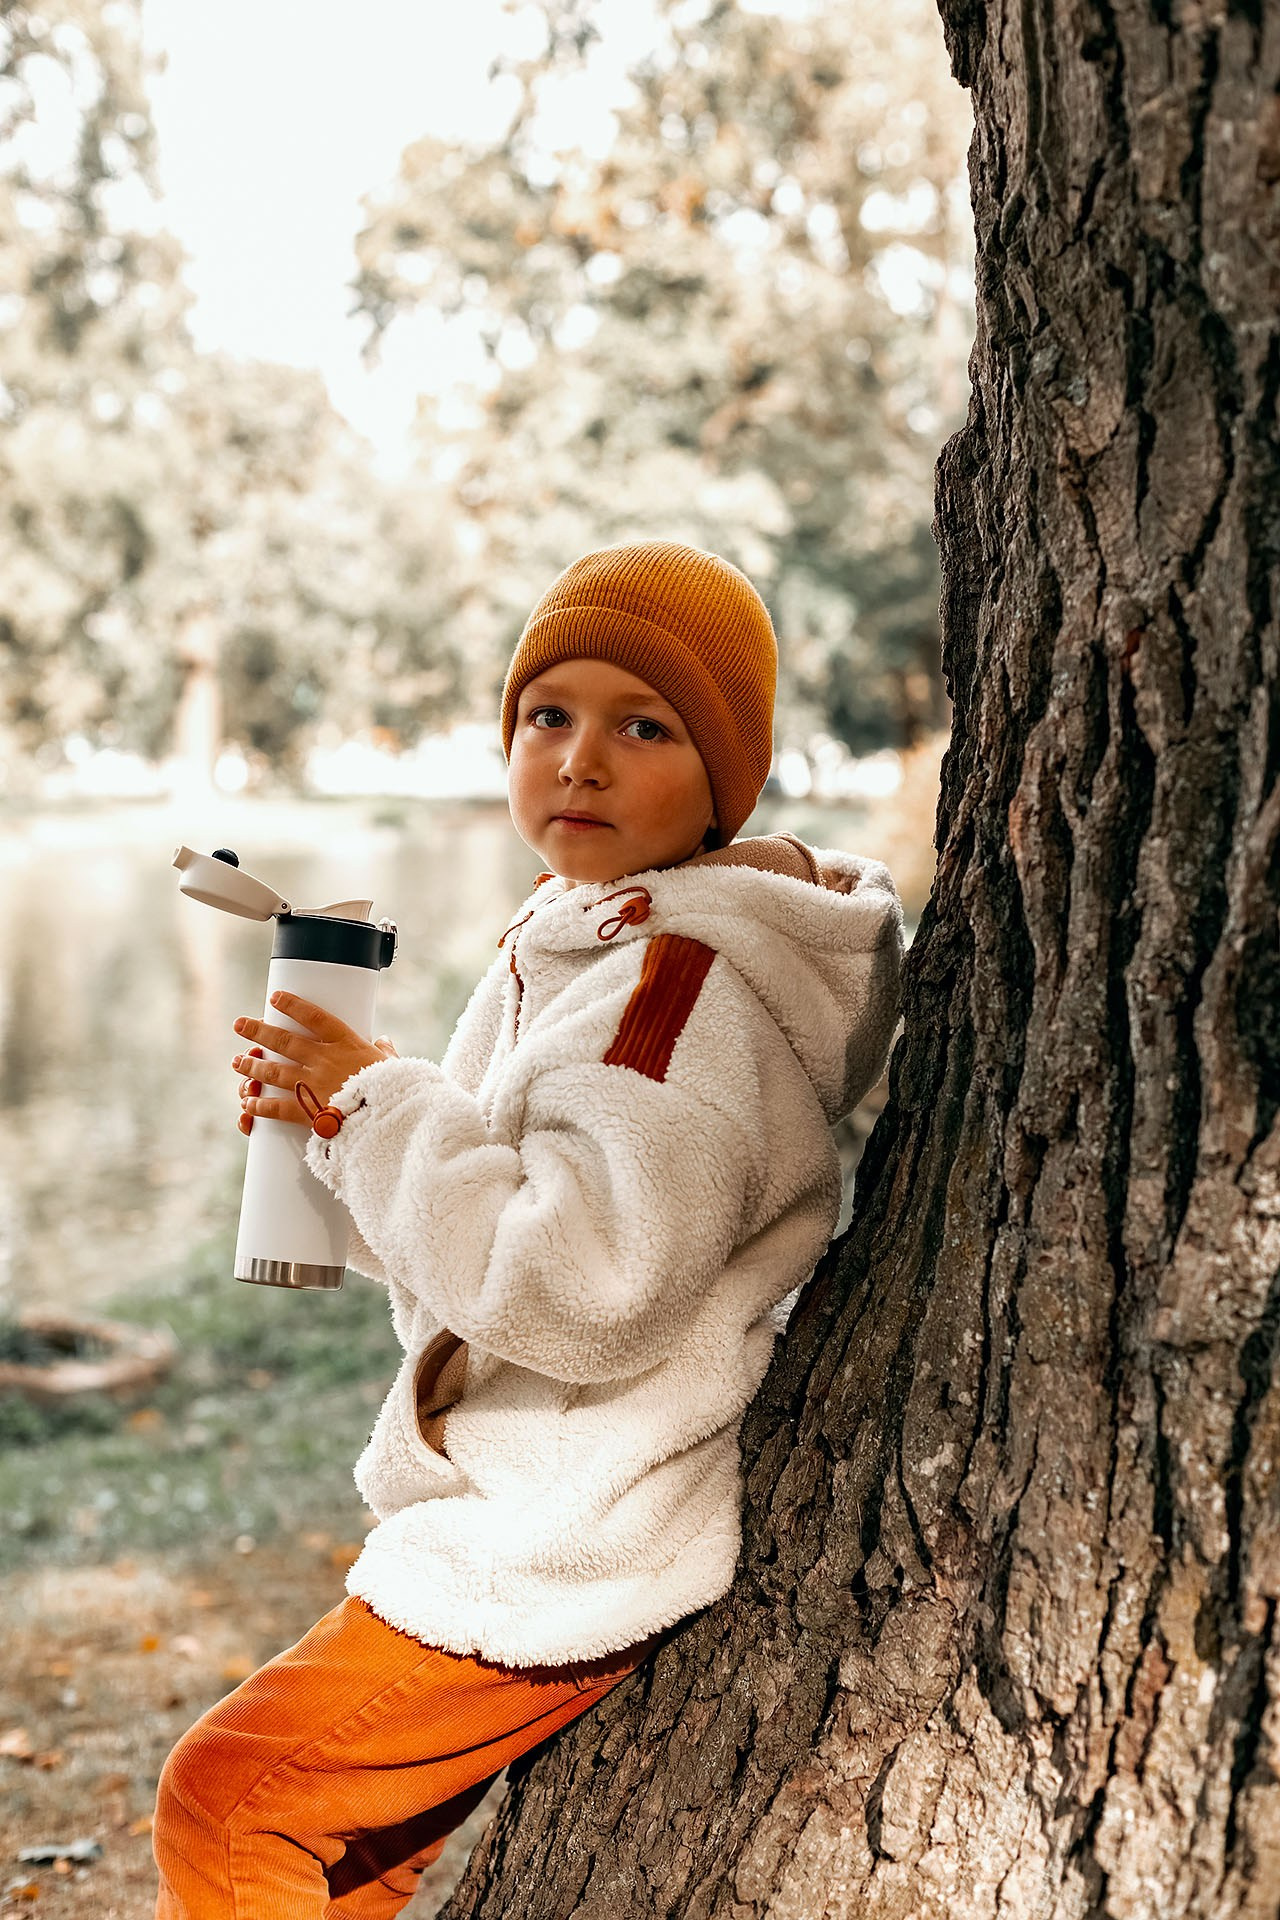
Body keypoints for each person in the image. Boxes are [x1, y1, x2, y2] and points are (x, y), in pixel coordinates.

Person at [151, 539, 905, 1917]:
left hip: (575, 1520)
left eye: (645, 726)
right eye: (547, 716)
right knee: (347, 1857)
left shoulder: (674, 993)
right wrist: (334, 1129)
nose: (581, 759)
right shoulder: (590, 937)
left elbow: (578, 1282)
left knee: (228, 1803)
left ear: (726, 774)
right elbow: (486, 1225)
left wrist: (379, 1105)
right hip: (541, 1485)